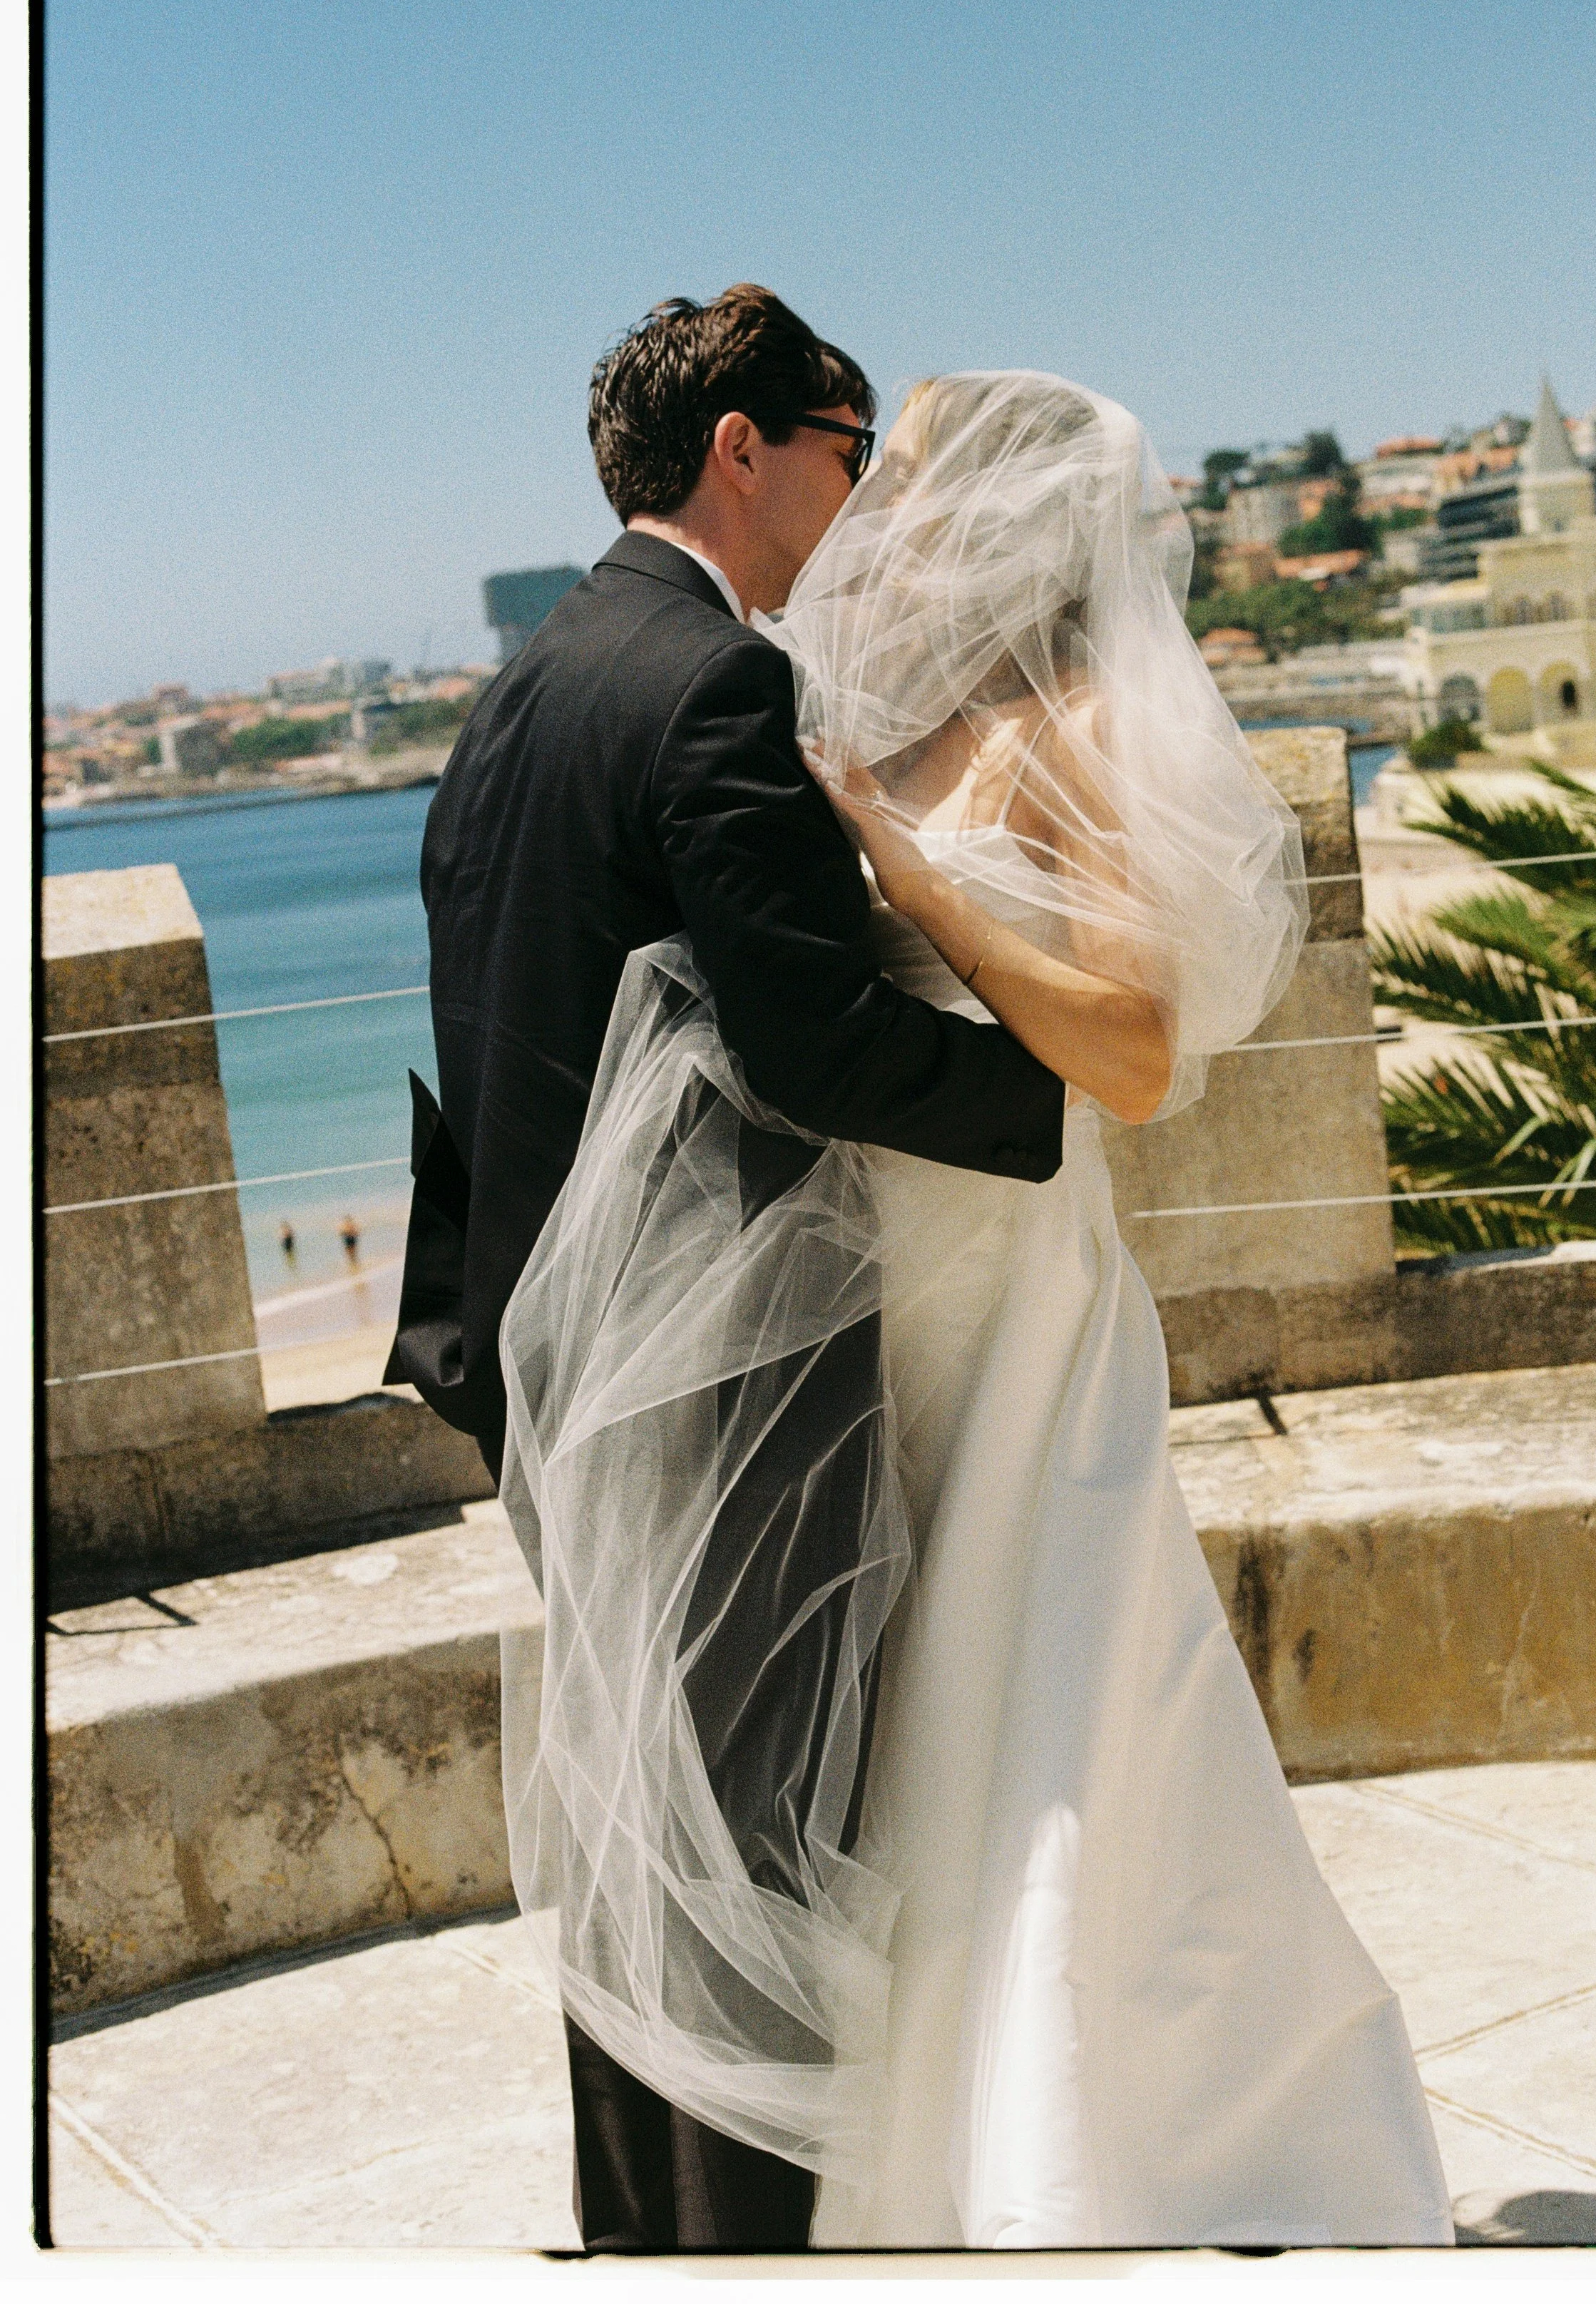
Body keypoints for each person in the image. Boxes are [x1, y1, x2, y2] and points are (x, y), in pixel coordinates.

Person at [499, 371, 1455, 2251]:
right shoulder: (864, 706)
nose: (881, 519)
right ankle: (902, 2162)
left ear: (1008, 517)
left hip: (1009, 1280)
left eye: (915, 483)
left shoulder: (1071, 724)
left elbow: (1128, 1050)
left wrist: (910, 864)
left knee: (1047, 1689)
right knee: (896, 1717)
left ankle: (1114, 2142)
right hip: (859, 1284)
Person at [385, 290, 1068, 2254]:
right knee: (751, 1852)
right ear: (743, 447)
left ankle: (633, 2238)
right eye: (845, 446)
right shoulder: (710, 686)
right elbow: (804, 1043)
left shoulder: (518, 691)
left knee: (640, 1841)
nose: (856, 494)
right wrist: (1043, 1094)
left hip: (544, 1360)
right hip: (712, 1371)